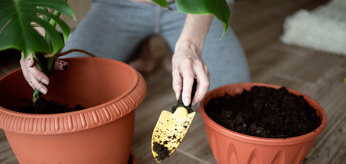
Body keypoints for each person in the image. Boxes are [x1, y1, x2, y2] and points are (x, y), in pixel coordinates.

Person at [20, 0, 250, 106]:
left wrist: (190, 46)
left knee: (233, 100)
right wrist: (33, 39)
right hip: (116, 6)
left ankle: (169, 48)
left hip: (190, 7)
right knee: (66, 87)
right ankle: (144, 54)